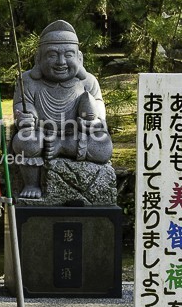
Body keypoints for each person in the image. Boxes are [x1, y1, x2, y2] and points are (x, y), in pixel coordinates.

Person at [10, 19, 114, 203]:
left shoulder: (88, 82)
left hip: (75, 135)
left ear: (79, 58)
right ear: (38, 59)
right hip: (41, 134)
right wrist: (26, 118)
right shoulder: (27, 81)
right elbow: (21, 106)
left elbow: (98, 108)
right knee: (25, 143)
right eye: (52, 55)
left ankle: (61, 147)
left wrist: (95, 121)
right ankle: (32, 184)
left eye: (68, 55)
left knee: (103, 147)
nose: (61, 62)